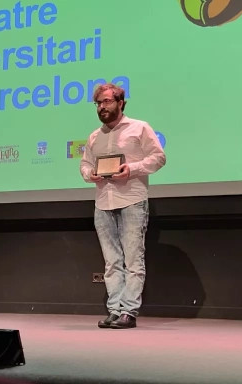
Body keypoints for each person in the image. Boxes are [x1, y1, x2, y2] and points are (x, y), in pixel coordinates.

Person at [80, 83, 166, 329]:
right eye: (98, 103)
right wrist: (90, 174)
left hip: (132, 200)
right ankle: (114, 310)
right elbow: (85, 165)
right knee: (111, 261)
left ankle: (129, 311)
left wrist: (133, 169)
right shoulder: (94, 136)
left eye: (106, 101)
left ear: (120, 102)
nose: (101, 107)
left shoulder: (140, 128)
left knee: (133, 259)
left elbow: (159, 157)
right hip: (103, 202)